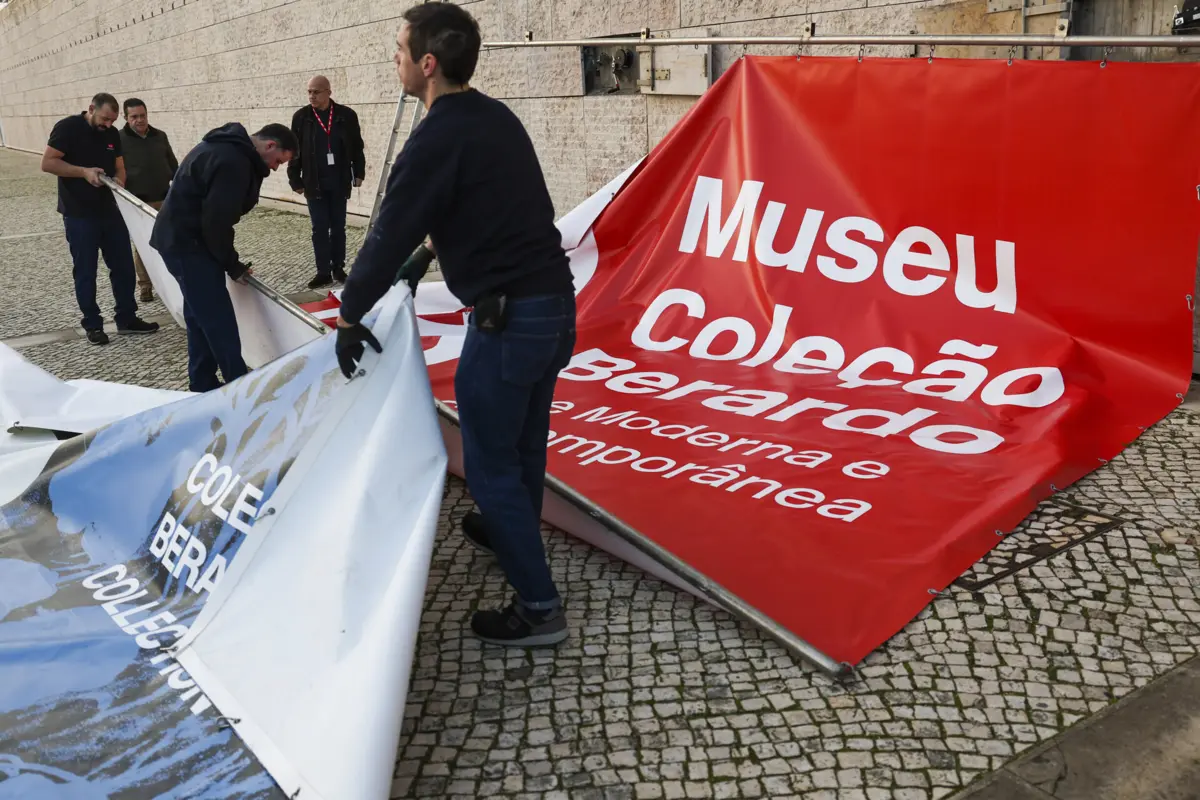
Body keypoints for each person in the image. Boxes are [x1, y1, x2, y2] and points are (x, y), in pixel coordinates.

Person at [335, 2, 576, 648]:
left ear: (428, 63)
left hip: (510, 320)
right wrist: (428, 256)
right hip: (555, 307)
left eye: (399, 49)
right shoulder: (496, 118)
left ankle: (539, 609)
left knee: (489, 463)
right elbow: (495, 205)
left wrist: (350, 314)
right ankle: (507, 531)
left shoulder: (434, 138)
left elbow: (386, 233)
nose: (394, 59)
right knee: (523, 446)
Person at [150, 122, 297, 393]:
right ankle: (240, 388)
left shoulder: (226, 148)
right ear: (270, 145)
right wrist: (232, 265)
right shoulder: (233, 162)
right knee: (219, 319)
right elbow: (216, 222)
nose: (275, 168)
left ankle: (202, 382)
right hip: (187, 244)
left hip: (182, 240)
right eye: (278, 161)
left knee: (199, 315)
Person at [41, 92, 161, 345]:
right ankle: (93, 324)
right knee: (86, 270)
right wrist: (83, 172)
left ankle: (127, 318)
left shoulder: (111, 134)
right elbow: (48, 163)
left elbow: (120, 166)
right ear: (91, 108)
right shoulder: (67, 128)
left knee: (123, 267)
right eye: (105, 119)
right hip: (79, 214)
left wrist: (119, 180)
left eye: (112, 121)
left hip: (110, 211)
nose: (108, 124)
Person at [288, 75, 366, 290]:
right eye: (309, 92)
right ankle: (323, 272)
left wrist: (359, 171)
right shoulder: (301, 117)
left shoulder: (346, 115)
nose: (312, 96)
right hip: (314, 181)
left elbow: (357, 146)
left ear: (328, 92)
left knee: (338, 227)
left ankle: (338, 268)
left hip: (339, 180)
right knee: (319, 228)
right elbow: (294, 151)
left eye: (316, 92)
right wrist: (294, 178)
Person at [119, 97, 179, 302]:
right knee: (144, 245)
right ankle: (145, 285)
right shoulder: (119, 140)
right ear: (126, 118)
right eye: (134, 116)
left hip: (164, 199)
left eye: (142, 115)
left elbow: (172, 165)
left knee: (170, 240)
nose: (139, 120)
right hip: (138, 202)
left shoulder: (160, 136)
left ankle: (172, 282)